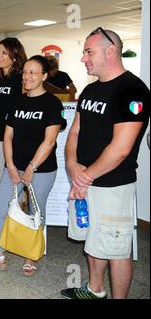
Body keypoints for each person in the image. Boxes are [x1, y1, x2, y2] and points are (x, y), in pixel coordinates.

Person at [61, 28, 149, 299]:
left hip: (112, 185)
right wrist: (72, 165)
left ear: (111, 51)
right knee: (92, 239)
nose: (83, 58)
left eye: (89, 51)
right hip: (84, 180)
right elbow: (74, 132)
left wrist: (83, 176)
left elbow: (121, 149)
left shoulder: (132, 90)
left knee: (116, 248)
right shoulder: (89, 89)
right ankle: (94, 289)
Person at [0, 55, 67, 276]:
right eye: (25, 72)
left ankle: (31, 257)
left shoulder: (52, 103)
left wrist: (31, 168)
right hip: (14, 167)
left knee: (36, 212)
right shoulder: (18, 102)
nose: (27, 76)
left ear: (44, 76)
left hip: (41, 170)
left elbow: (50, 141)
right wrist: (11, 165)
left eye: (33, 72)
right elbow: (8, 136)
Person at [0, 37, 27, 239]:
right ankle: (2, 218)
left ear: (15, 55)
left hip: (13, 138)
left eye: (4, 52)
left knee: (14, 184)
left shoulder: (21, 79)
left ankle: (14, 225)